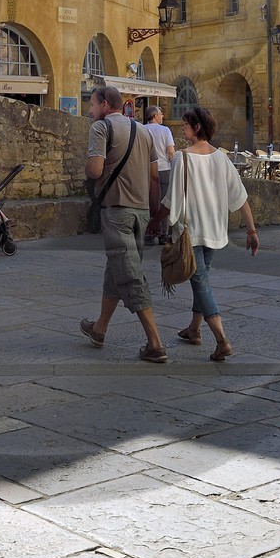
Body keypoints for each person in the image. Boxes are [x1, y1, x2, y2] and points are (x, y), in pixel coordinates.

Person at [159, 105, 258, 362]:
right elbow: (240, 197)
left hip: (191, 233)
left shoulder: (183, 157)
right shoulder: (222, 158)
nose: (182, 128)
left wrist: (159, 221)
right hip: (215, 230)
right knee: (200, 280)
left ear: (197, 127)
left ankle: (222, 340)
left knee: (201, 283)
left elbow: (173, 199)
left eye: (186, 124)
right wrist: (251, 230)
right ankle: (194, 329)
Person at [78, 85, 168, 363]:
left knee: (130, 274)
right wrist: (154, 214)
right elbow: (154, 177)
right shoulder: (143, 130)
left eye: (92, 105)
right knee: (117, 268)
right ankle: (99, 329)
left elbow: (94, 169)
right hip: (141, 211)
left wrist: (88, 168)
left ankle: (155, 342)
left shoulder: (101, 128)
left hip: (117, 210)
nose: (90, 110)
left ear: (104, 104)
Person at [142, 105, 178, 206]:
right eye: (161, 114)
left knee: (149, 201)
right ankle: (161, 222)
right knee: (163, 202)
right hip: (164, 169)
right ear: (155, 116)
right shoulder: (165, 130)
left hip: (147, 170)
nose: (162, 116)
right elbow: (171, 151)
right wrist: (175, 165)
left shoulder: (142, 129)